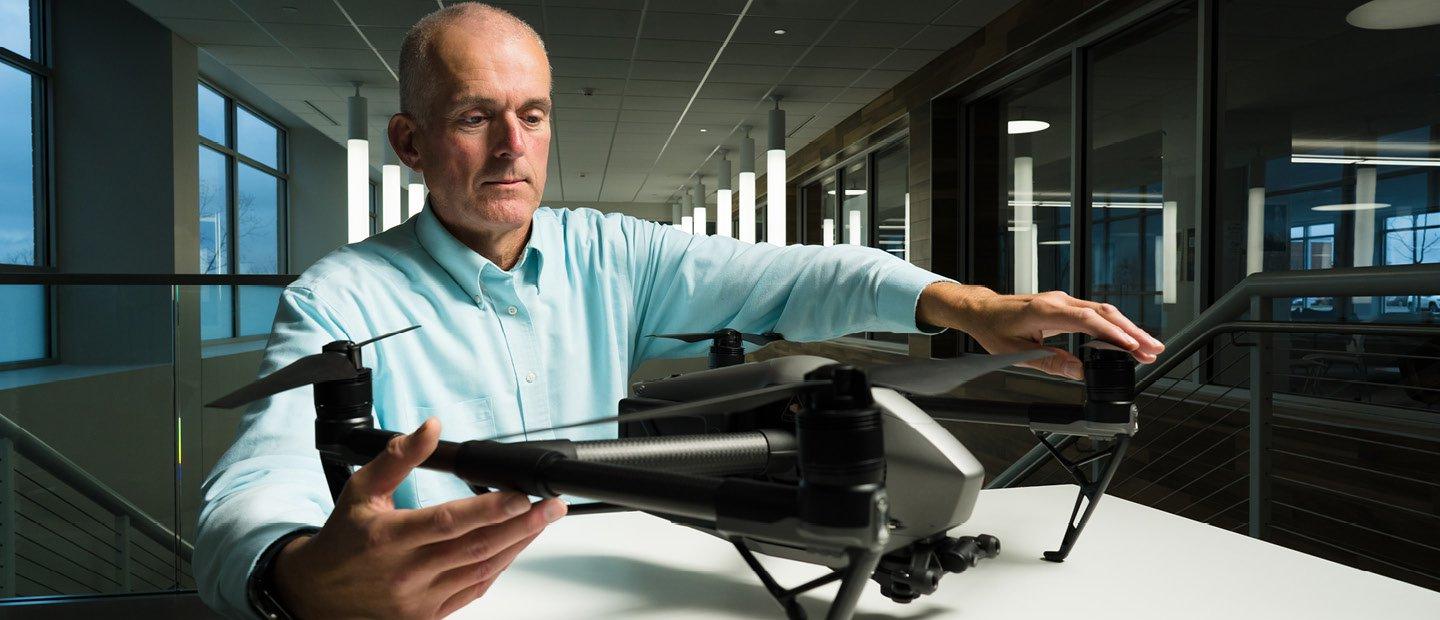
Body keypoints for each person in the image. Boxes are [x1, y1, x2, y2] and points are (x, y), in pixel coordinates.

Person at [194, 4, 1164, 619]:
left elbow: (798, 275)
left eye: (531, 114)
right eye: (473, 114)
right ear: (410, 139)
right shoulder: (339, 295)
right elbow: (258, 475)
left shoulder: (613, 253)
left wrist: (976, 307)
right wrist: (296, 574)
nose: (510, 145)